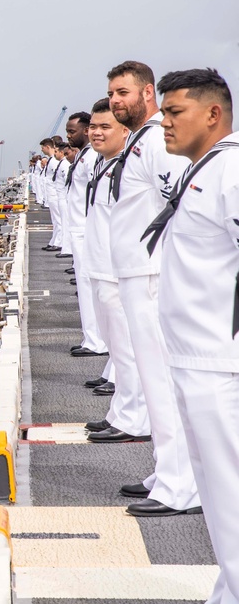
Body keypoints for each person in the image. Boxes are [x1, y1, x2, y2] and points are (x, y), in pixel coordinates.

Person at [150, 68, 238, 601]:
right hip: (194, 358)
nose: (164, 122)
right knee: (218, 495)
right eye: (162, 111)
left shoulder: (231, 172)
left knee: (231, 492)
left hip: (220, 363)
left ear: (213, 113)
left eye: (174, 112)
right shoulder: (204, 169)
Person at [97, 60, 197, 518]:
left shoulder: (155, 140)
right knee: (154, 382)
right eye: (113, 94)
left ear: (148, 93)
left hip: (151, 275)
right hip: (136, 273)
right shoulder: (140, 140)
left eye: (124, 92)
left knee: (161, 379)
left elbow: (179, 200)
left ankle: (182, 485)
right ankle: (168, 470)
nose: (117, 101)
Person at [82, 98, 147, 437]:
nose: (96, 132)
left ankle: (135, 419)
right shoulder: (103, 163)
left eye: (105, 126)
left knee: (129, 350)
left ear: (124, 130)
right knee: (118, 350)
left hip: (116, 270)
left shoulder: (126, 166)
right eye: (93, 126)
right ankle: (121, 412)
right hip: (99, 267)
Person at [63, 111, 107, 357]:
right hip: (78, 229)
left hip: (85, 229)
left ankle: (97, 341)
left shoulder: (91, 158)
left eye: (73, 131)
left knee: (91, 288)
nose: (69, 136)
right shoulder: (84, 156)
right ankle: (92, 337)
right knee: (85, 286)